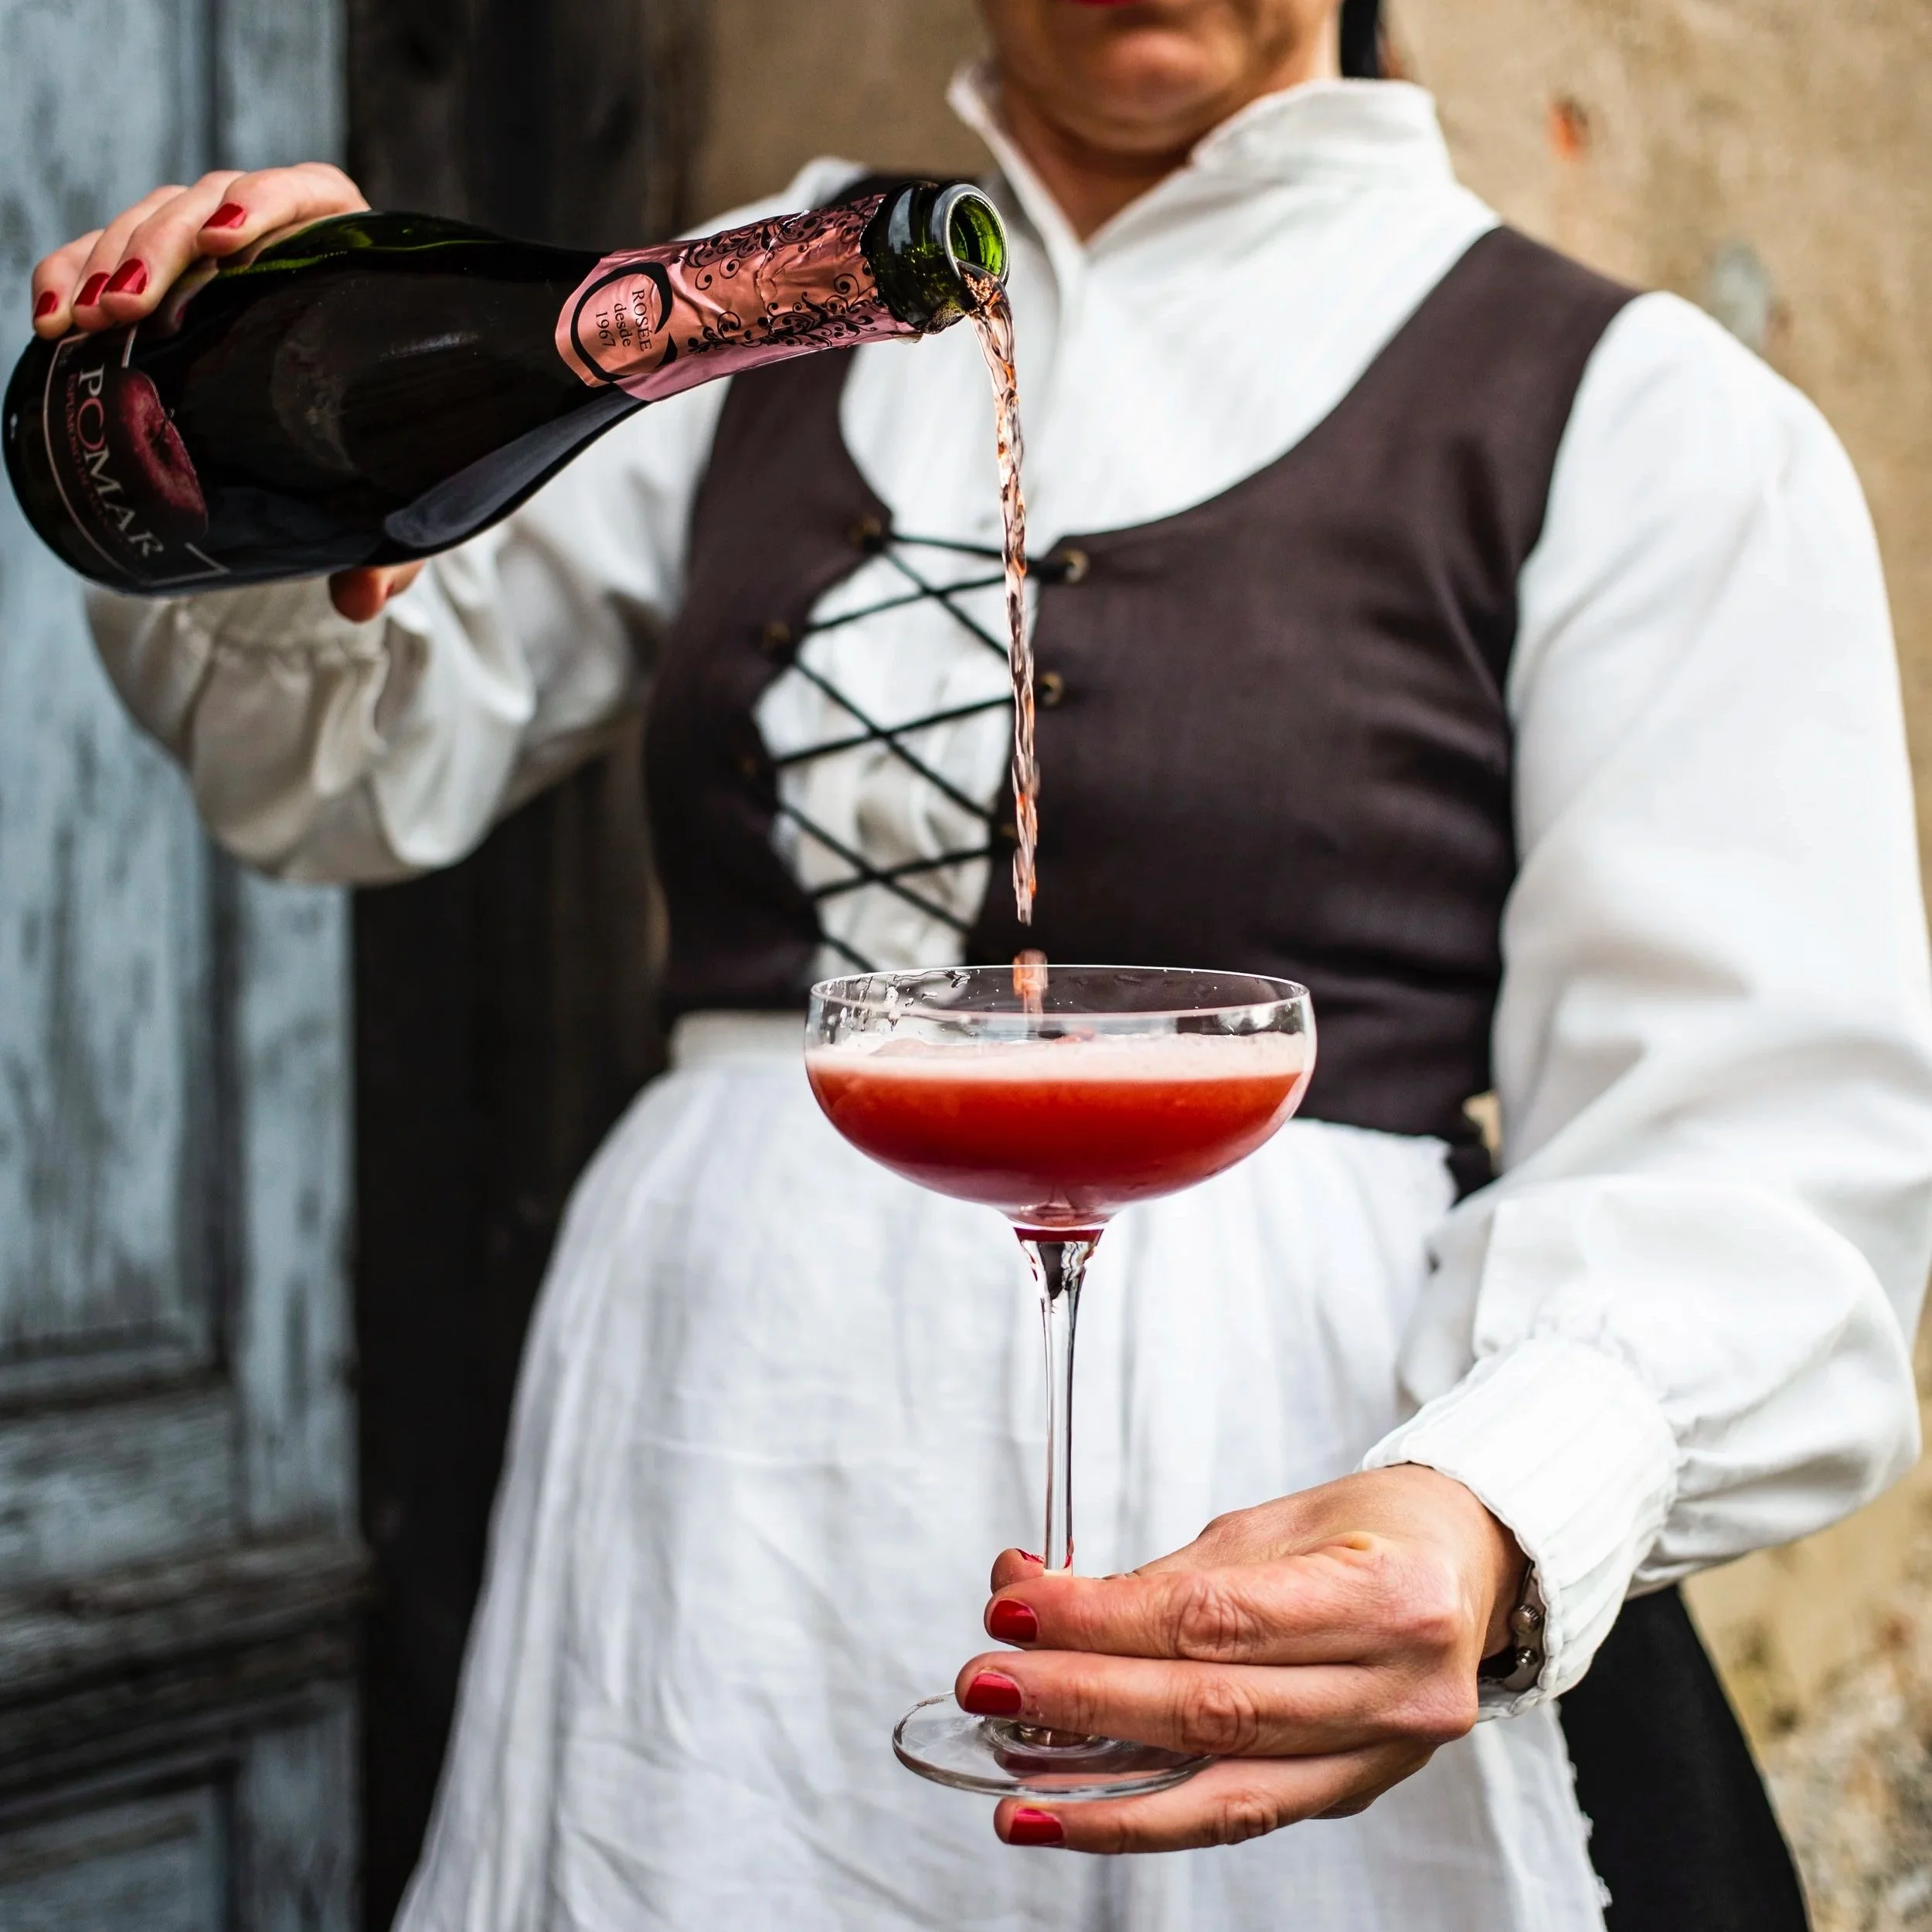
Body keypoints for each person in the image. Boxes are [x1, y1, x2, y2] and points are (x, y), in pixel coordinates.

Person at [32, 1, 1932, 1927]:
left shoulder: (1627, 408)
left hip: (1273, 1473)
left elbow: (1760, 1145)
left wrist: (1498, 1501)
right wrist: (240, 434)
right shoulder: (725, 306)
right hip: (722, 1488)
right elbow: (330, 775)